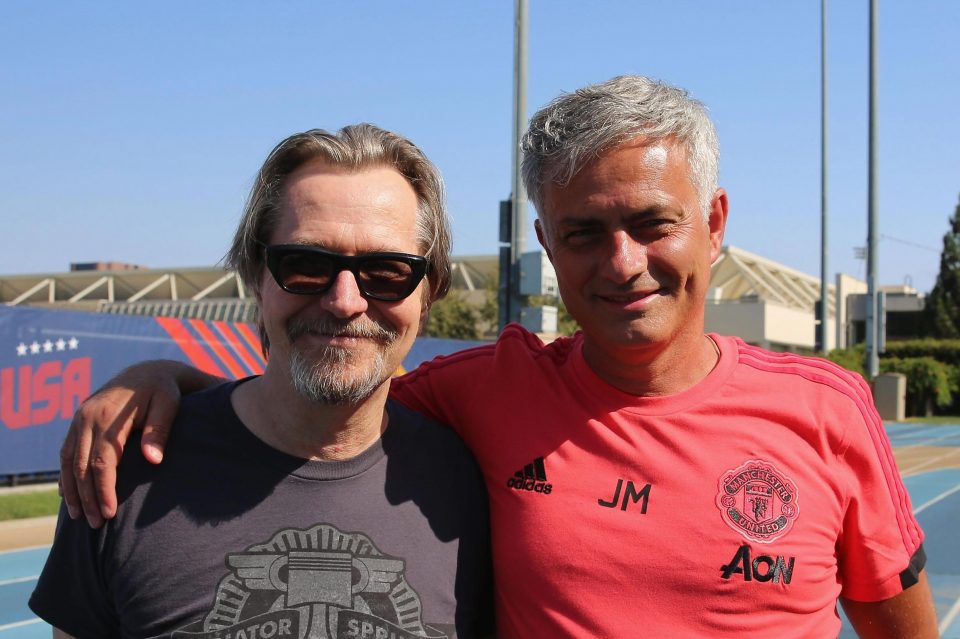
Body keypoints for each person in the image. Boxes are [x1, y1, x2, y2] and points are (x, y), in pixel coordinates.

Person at [57, 76, 938, 638]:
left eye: (652, 224)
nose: (622, 261)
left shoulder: (830, 406)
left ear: (712, 224)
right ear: (550, 248)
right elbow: (328, 387)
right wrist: (165, 382)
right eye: (586, 232)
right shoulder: (480, 393)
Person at [30, 125, 495, 638]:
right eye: (305, 264)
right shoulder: (127, 473)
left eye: (386, 270)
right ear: (255, 276)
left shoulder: (472, 484)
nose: (345, 301)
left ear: (428, 294)